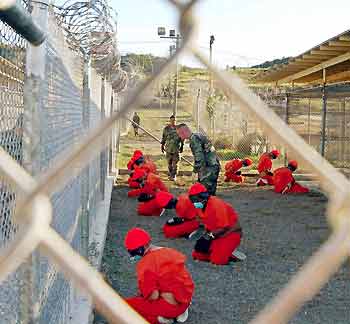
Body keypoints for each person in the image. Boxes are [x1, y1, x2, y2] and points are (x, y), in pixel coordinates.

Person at [124, 228, 194, 324]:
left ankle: (160, 319)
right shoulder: (169, 251)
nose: (132, 256)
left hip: (170, 306)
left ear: (143, 247)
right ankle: (175, 313)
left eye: (133, 252)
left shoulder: (146, 264)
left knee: (125, 306)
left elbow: (153, 296)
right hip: (185, 301)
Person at [187, 183, 245, 265]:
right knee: (197, 255)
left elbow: (224, 227)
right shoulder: (199, 206)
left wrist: (209, 237)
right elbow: (205, 223)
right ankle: (222, 251)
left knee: (217, 260)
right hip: (216, 234)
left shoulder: (217, 205)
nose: (195, 202)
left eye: (196, 199)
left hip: (230, 233)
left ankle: (229, 253)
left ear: (204, 197)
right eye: (192, 200)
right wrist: (205, 236)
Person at [176, 124, 220, 195]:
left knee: (205, 194)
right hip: (213, 166)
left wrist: (195, 172)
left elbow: (199, 157)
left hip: (208, 168)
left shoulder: (194, 139)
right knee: (210, 193)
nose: (179, 136)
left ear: (183, 132)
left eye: (179, 134)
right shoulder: (197, 136)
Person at [161, 115, 184, 181]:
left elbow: (182, 138)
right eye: (172, 120)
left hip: (176, 149)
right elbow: (164, 137)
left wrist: (182, 146)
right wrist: (162, 146)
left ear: (176, 121)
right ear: (170, 121)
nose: (173, 122)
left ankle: (174, 175)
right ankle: (170, 174)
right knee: (169, 163)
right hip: (168, 148)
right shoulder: (166, 129)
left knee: (175, 163)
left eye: (174, 120)